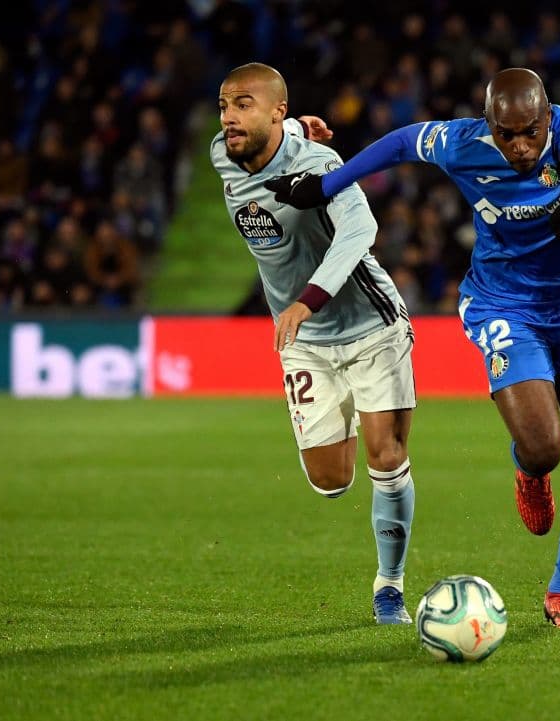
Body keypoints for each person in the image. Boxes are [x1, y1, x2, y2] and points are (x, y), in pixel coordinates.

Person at [266, 68, 560, 628]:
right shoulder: (462, 141)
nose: (520, 147)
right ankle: (530, 470)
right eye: (507, 134)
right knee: (545, 446)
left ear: (547, 117)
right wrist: (326, 184)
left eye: (530, 132)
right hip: (506, 304)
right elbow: (404, 142)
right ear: (489, 125)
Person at [213, 63, 418, 624]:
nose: (230, 117)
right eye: (225, 105)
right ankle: (353, 412)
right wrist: (296, 126)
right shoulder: (221, 152)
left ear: (276, 110)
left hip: (369, 324)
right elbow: (266, 137)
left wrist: (307, 300)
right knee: (331, 481)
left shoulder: (321, 166)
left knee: (387, 458)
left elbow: (360, 232)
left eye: (245, 105)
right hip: (305, 343)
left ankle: (389, 587)